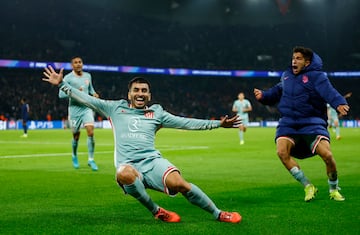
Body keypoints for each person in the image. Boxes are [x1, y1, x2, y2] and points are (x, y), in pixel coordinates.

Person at [43, 66, 242, 223]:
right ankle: (157, 211)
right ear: (129, 94)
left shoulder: (157, 113)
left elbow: (185, 122)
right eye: (136, 90)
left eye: (144, 91)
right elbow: (86, 99)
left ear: (149, 95)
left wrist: (218, 124)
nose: (140, 93)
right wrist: (62, 84)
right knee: (123, 174)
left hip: (152, 162)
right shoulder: (114, 108)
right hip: (129, 164)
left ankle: (218, 213)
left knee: (180, 184)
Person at [253, 46, 349, 202]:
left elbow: (328, 91)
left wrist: (338, 102)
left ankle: (333, 189)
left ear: (307, 62)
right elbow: (276, 92)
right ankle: (308, 186)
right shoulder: (286, 76)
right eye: (293, 58)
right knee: (281, 152)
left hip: (312, 122)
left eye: (298, 58)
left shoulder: (317, 77)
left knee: (328, 155)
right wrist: (263, 96)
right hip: (288, 123)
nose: (294, 61)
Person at [59, 56, 99, 171]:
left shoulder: (88, 76)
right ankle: (74, 156)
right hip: (74, 110)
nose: (78, 64)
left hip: (86, 108)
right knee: (76, 135)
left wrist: (94, 94)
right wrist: (74, 93)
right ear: (72, 65)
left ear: (82, 63)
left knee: (91, 132)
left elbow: (91, 90)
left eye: (80, 62)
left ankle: (91, 159)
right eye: (75, 63)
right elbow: (61, 95)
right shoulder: (68, 78)